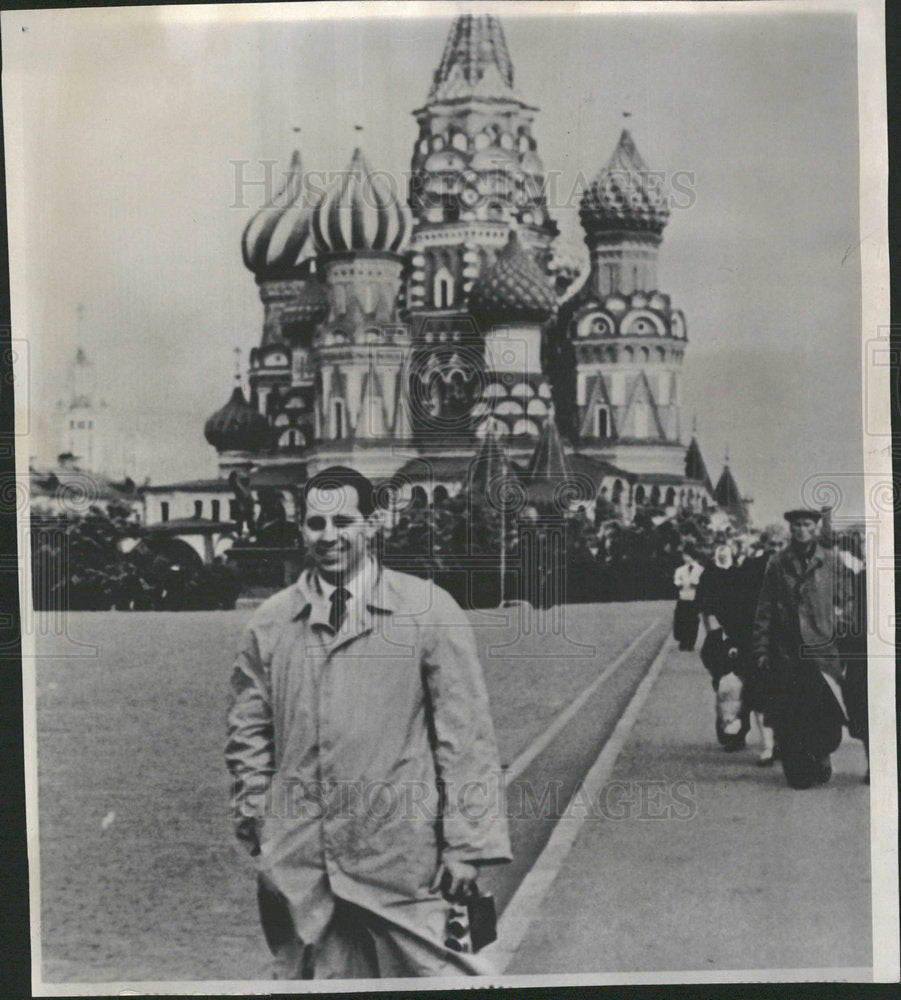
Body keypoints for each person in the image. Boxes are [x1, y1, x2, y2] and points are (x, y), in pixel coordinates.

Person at [226, 466, 512, 979]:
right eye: (316, 523)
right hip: (302, 863)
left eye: (343, 522)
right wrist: (260, 822)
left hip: (402, 858)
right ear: (302, 528)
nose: (328, 536)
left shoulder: (426, 610)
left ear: (373, 523)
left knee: (438, 977)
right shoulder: (271, 621)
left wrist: (467, 847)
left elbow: (466, 737)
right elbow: (248, 732)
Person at [752, 509, 851, 789]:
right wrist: (761, 649)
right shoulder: (778, 562)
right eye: (796, 525)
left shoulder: (830, 560)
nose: (801, 529)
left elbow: (848, 597)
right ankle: (796, 770)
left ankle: (821, 755)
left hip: (821, 648)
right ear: (791, 529)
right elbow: (765, 608)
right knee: (790, 713)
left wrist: (839, 621)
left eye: (807, 524)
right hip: (786, 649)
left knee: (824, 712)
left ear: (816, 527)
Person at [672, 547, 703, 651]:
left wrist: (697, 584)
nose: (685, 558)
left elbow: (703, 582)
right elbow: (676, 580)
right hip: (683, 597)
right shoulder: (680, 569)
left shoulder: (700, 569)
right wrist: (679, 583)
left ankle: (691, 643)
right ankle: (683, 641)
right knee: (682, 620)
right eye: (684, 556)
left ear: (692, 556)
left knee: (693, 621)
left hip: (695, 598)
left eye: (687, 555)